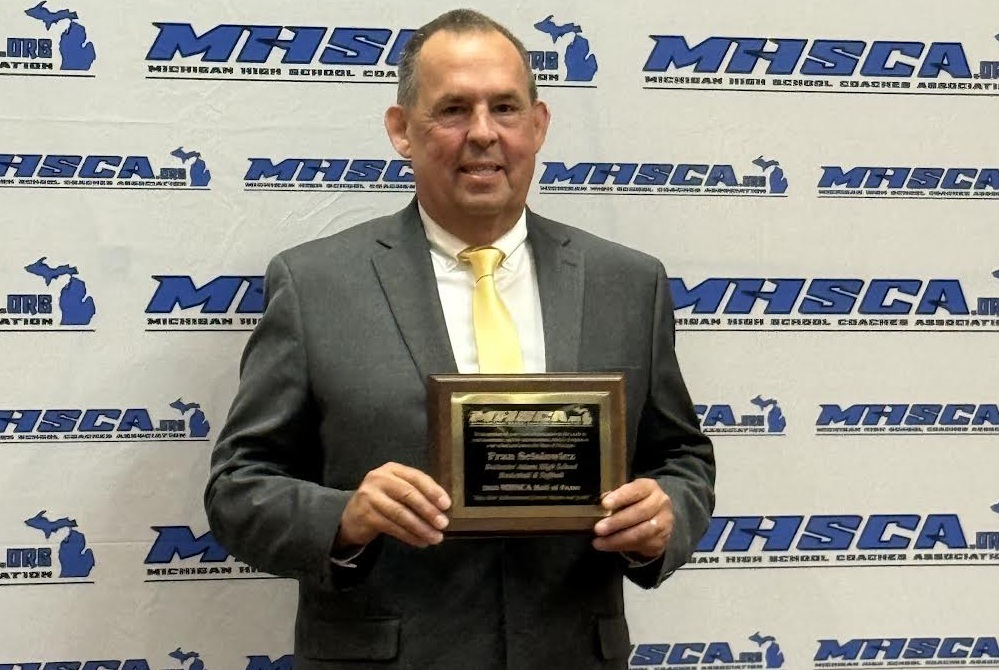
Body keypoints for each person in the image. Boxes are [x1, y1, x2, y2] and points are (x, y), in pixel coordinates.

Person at [205, 9, 714, 670]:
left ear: (538, 125)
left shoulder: (629, 283)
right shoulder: (314, 285)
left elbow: (680, 455)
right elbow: (237, 488)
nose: (482, 134)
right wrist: (346, 517)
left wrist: (664, 514)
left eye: (504, 107)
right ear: (401, 131)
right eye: (452, 110)